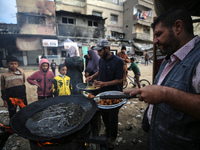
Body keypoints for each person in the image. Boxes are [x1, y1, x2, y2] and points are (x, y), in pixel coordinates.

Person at [123, 6, 200, 149]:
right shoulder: (169, 58)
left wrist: (164, 94)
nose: (154, 41)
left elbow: (164, 93)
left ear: (178, 27)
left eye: (158, 34)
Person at [86, 39, 123, 148]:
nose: (98, 53)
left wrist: (104, 84)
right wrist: (93, 76)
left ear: (107, 48)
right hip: (103, 93)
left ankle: (112, 137)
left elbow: (119, 80)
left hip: (115, 94)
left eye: (100, 51)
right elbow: (100, 71)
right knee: (105, 114)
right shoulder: (101, 60)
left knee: (113, 116)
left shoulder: (118, 61)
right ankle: (107, 132)